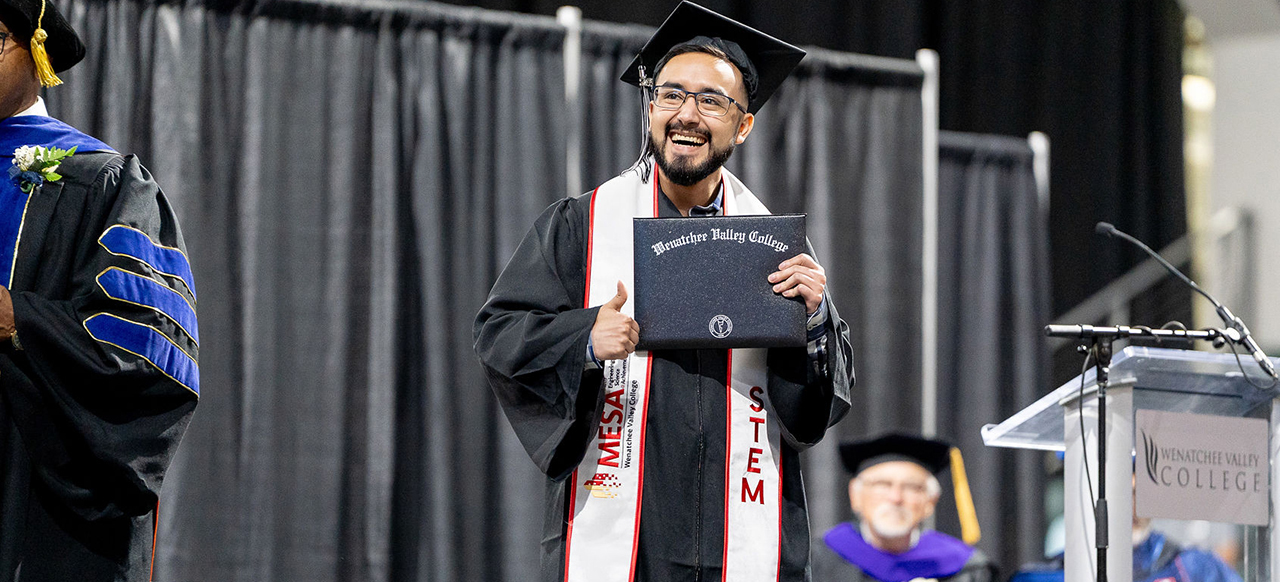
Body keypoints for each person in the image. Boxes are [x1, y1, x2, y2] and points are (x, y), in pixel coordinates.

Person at [473, 2, 854, 580]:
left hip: (740, 531)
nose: (686, 115)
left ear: (743, 125)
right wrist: (583, 337)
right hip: (622, 531)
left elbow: (816, 410)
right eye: (671, 95)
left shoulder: (774, 247)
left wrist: (816, 317)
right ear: (651, 107)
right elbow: (500, 333)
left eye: (711, 101)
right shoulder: (582, 226)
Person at [0, 1, 199, 580]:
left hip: (31, 512)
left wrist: (16, 319)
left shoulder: (100, 181)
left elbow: (145, 359)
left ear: (38, 53)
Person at [816, 433, 996, 582]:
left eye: (911, 487)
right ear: (855, 496)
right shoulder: (817, 560)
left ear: (930, 502)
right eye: (882, 485)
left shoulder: (966, 568)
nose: (896, 498)